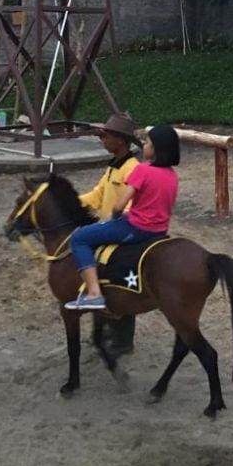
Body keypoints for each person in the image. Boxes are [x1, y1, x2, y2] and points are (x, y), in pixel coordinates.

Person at [65, 124, 181, 311]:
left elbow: (120, 205)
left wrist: (115, 217)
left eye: (148, 142)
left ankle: (95, 293)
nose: (144, 145)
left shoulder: (142, 170)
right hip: (160, 230)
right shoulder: (172, 176)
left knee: (80, 238)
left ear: (155, 148)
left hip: (136, 227)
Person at [79, 113, 141, 352]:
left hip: (122, 230)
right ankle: (106, 329)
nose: (101, 139)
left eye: (105, 136)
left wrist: (111, 224)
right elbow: (96, 196)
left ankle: (124, 341)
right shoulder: (113, 167)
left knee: (118, 279)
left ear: (121, 141)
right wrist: (69, 202)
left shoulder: (132, 170)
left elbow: (130, 207)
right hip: (110, 228)